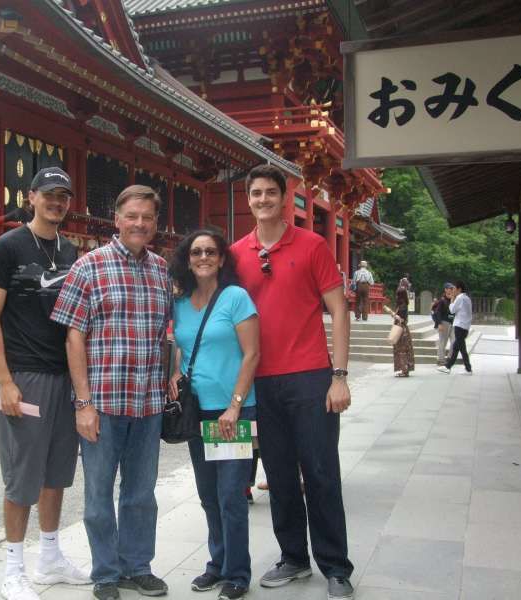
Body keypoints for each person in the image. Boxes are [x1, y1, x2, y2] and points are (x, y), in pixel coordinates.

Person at [230, 164, 354, 600]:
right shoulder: (236, 253)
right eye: (255, 193)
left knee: (320, 471)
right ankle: (294, 558)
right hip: (260, 379)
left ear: (285, 198)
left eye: (270, 193)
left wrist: (339, 375)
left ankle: (336, 565)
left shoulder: (313, 245)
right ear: (248, 200)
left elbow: (339, 309)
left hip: (310, 376)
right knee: (278, 473)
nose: (263, 200)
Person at [51, 185, 171, 600]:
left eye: (148, 218)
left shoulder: (161, 270)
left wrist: (170, 377)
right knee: (99, 494)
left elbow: (165, 336)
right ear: (116, 219)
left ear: (155, 224)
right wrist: (82, 403)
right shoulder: (88, 267)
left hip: (148, 403)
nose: (140, 224)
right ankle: (105, 572)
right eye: (132, 216)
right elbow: (73, 337)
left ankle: (137, 566)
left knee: (141, 493)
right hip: (101, 402)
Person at [0, 166, 89, 600]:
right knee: (22, 474)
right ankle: (12, 568)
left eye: (63, 196)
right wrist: (4, 380)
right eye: (49, 195)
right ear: (31, 197)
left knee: (58, 471)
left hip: (64, 375)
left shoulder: (72, 251)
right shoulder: (8, 246)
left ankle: (50, 555)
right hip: (25, 373)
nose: (56, 202)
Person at [169, 229, 260, 600]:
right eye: (196, 252)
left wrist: (235, 405)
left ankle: (237, 573)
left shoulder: (236, 298)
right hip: (198, 412)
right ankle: (217, 564)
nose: (203, 257)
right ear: (187, 260)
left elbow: (252, 354)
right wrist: (175, 371)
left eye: (210, 252)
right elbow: (181, 348)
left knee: (230, 495)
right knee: (208, 494)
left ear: (222, 259)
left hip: (231, 413)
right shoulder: (180, 303)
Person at [437, 281, 473, 375]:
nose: (453, 291)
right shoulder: (467, 298)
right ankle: (451, 367)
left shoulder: (460, 298)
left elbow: (452, 310)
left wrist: (452, 299)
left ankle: (455, 367)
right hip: (465, 326)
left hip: (459, 325)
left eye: (454, 289)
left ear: (459, 289)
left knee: (460, 347)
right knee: (458, 347)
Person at [392, 287, 415, 377]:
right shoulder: (404, 305)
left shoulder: (402, 306)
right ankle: (405, 369)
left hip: (400, 330)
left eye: (397, 294)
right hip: (403, 329)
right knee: (405, 349)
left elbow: (401, 319)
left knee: (402, 350)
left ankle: (404, 370)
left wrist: (393, 315)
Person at [434, 283, 455, 365]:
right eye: (449, 288)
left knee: (454, 341)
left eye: (452, 288)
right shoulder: (442, 300)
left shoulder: (454, 300)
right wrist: (439, 323)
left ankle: (450, 358)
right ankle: (441, 359)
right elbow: (437, 312)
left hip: (453, 323)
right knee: (443, 341)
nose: (451, 289)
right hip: (444, 322)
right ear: (446, 289)